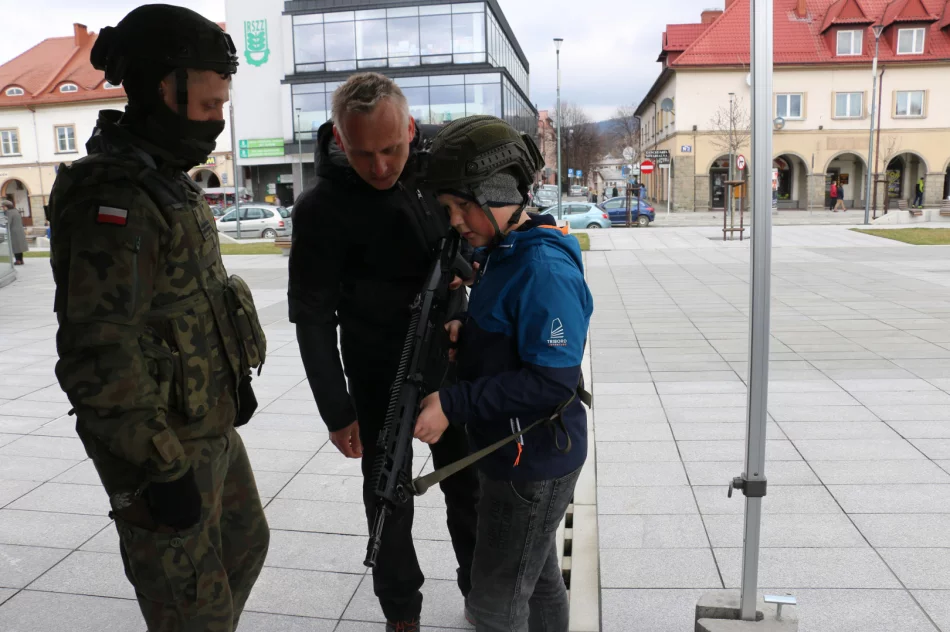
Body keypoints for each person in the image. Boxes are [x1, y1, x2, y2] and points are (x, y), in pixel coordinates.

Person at [47, 6, 269, 630]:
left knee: (245, 546)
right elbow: (97, 352)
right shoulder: (113, 198)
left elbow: (192, 304)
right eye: (203, 105)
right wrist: (157, 464)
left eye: (221, 105)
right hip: (160, 450)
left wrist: (231, 385)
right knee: (192, 609)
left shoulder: (168, 183)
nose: (215, 121)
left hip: (206, 427)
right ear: (154, 91)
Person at [288, 72, 479, 632]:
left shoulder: (439, 168)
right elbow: (312, 316)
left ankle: (481, 591)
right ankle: (402, 611)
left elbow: (478, 240)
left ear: (411, 128)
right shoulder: (320, 208)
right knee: (388, 496)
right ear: (340, 141)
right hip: (378, 372)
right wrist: (336, 408)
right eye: (363, 152)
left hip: (454, 358)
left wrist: (462, 283)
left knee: (469, 486)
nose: (379, 167)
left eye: (392, 149)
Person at [414, 115, 594, 632]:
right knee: (534, 579)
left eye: (456, 207)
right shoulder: (504, 252)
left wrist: (452, 403)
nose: (452, 222)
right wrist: (464, 330)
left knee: (495, 603)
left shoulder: (543, 269)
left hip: (531, 463)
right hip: (517, 454)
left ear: (494, 192)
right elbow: (510, 334)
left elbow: (551, 382)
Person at [2, 200, 27, 265]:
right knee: (19, 247)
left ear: (6, 206)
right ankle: (21, 260)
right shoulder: (16, 211)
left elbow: (7, 222)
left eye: (3, 206)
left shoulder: (9, 212)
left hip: (14, 232)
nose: (3, 208)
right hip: (19, 230)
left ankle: (18, 260)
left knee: (15, 247)